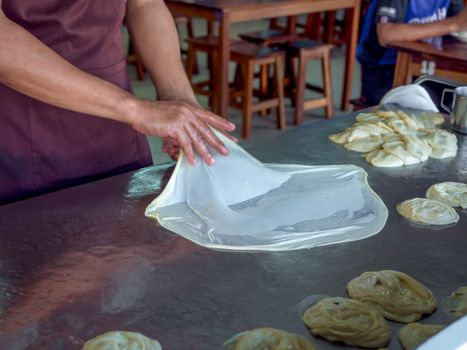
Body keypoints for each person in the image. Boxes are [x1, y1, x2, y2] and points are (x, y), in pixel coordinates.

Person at [0, 0, 236, 205]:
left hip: (117, 127)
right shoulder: (133, 110)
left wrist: (179, 99)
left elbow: (145, 5)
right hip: (28, 127)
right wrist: (135, 109)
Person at [357, 0, 467, 106]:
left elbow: (460, 23)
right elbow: (386, 34)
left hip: (427, 67)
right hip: (385, 69)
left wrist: (457, 24)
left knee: (458, 98)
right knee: (436, 106)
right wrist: (453, 25)